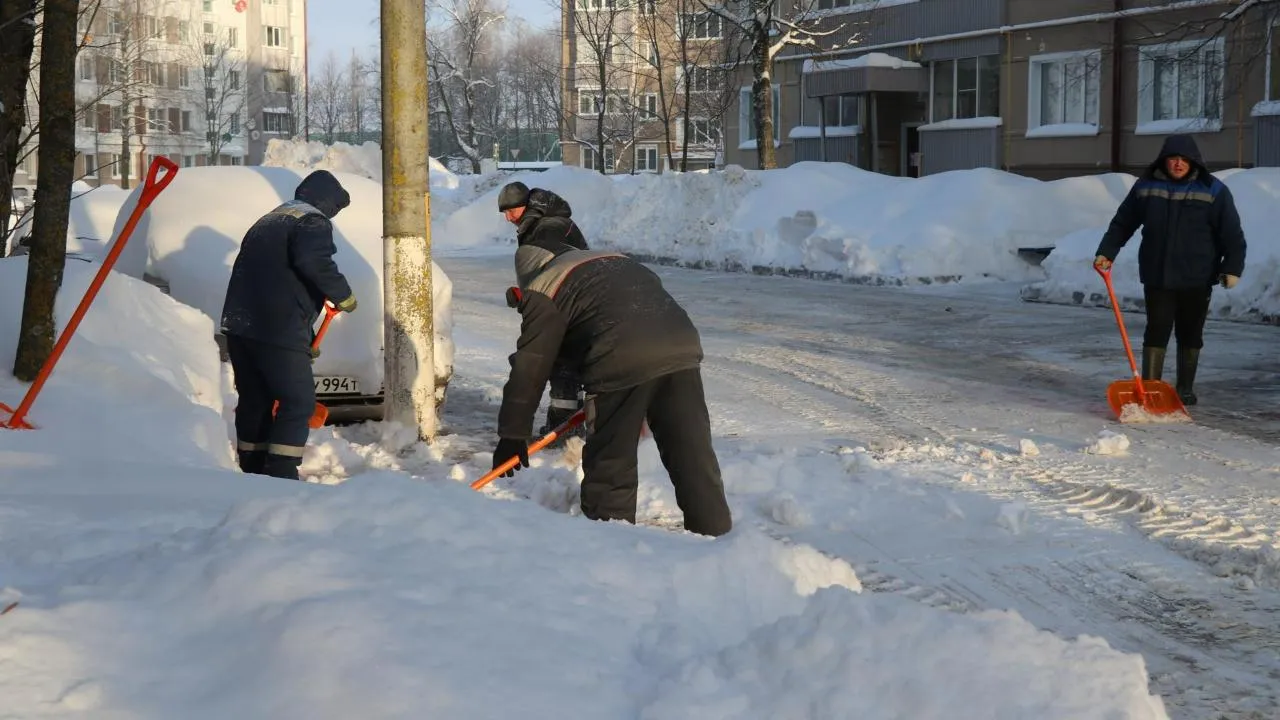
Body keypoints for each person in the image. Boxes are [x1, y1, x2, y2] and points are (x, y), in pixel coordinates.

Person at [491, 182, 732, 537]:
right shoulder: (611, 260)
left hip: (620, 357)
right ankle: (718, 544)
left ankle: (610, 552)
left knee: (610, 468)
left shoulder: (543, 288)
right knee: (693, 458)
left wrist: (512, 435)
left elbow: (531, 364)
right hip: (680, 346)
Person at [220, 170, 358, 479]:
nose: (332, 216)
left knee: (256, 399)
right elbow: (313, 262)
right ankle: (282, 475)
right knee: (298, 402)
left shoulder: (269, 220)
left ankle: (252, 470)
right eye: (334, 208)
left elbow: (280, 282)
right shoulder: (312, 221)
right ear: (327, 201)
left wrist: (304, 338)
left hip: (240, 326)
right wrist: (344, 295)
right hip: (277, 328)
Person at [1094, 134, 1246, 405]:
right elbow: (1123, 222)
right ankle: (1151, 387)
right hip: (1158, 274)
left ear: (1194, 161)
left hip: (1197, 276)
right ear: (1163, 160)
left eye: (1184, 159)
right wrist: (1107, 251)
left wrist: (1231, 267)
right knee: (1157, 329)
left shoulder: (1213, 190)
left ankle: (1185, 388)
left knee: (1190, 333)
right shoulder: (1146, 187)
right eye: (1173, 158)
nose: (1178, 164)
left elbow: (1232, 234)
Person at [497, 181, 588, 445]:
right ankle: (570, 426)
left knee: (561, 362)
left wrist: (533, 297)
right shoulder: (545, 221)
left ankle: (564, 430)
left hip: (564, 299)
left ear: (526, 205)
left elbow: (549, 267)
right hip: (570, 296)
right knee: (567, 361)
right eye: (505, 212)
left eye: (511, 211)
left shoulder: (547, 227)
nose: (508, 218)